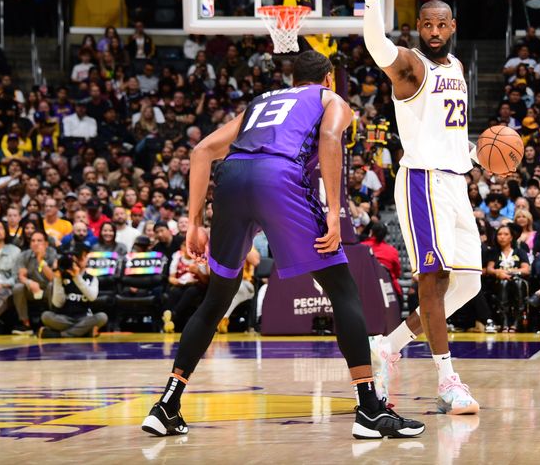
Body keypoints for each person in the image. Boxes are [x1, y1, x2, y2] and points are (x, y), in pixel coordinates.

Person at [141, 49, 424, 438]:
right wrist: (333, 211)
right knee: (343, 289)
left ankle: (167, 405)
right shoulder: (330, 99)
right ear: (328, 79)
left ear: (293, 81)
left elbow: (201, 150)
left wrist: (193, 223)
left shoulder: (261, 102)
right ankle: (370, 409)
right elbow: (329, 137)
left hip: (232, 178)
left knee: (215, 301)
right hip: (279, 177)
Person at [358, 0, 482, 416]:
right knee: (433, 280)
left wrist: (478, 154)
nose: (433, 32)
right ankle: (448, 380)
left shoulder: (457, 69)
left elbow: (450, 131)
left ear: (451, 27)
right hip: (422, 181)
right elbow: (378, 49)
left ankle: (388, 345)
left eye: (441, 25)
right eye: (426, 25)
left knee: (467, 284)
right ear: (419, 27)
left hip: (455, 180)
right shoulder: (411, 66)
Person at [39, 246, 108, 338]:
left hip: (85, 318)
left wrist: (77, 277)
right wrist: (58, 280)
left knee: (102, 317)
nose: (78, 261)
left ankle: (59, 335)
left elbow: (92, 297)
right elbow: (58, 303)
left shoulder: (92, 278)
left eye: (81, 258)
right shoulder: (62, 277)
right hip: (64, 318)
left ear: (87, 259)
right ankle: (84, 332)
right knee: (46, 316)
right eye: (75, 259)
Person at [12, 229, 58, 334]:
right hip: (31, 290)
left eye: (39, 241)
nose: (36, 243)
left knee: (53, 285)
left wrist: (40, 260)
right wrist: (29, 283)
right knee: (18, 287)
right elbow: (20, 277)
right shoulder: (24, 255)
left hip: (47, 288)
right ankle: (25, 323)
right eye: (33, 241)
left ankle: (53, 322)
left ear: (46, 244)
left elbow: (53, 278)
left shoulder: (52, 254)